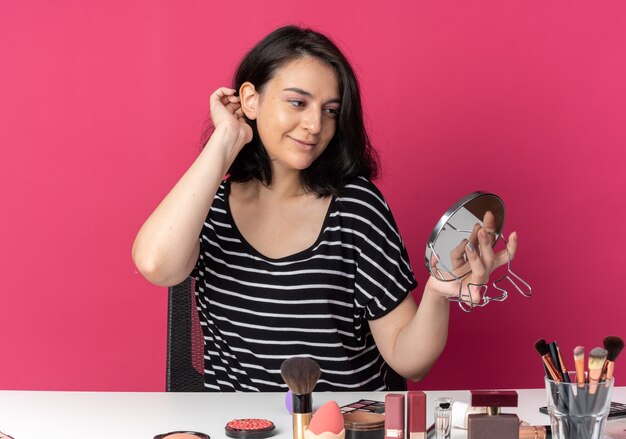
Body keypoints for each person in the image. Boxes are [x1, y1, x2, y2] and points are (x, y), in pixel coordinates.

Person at [132, 25, 518, 391]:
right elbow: (155, 264)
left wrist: (437, 292)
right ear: (251, 99)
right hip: (239, 427)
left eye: (330, 110)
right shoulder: (209, 209)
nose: (315, 124)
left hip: (341, 425)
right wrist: (225, 138)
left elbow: (409, 361)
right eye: (297, 102)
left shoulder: (355, 208)